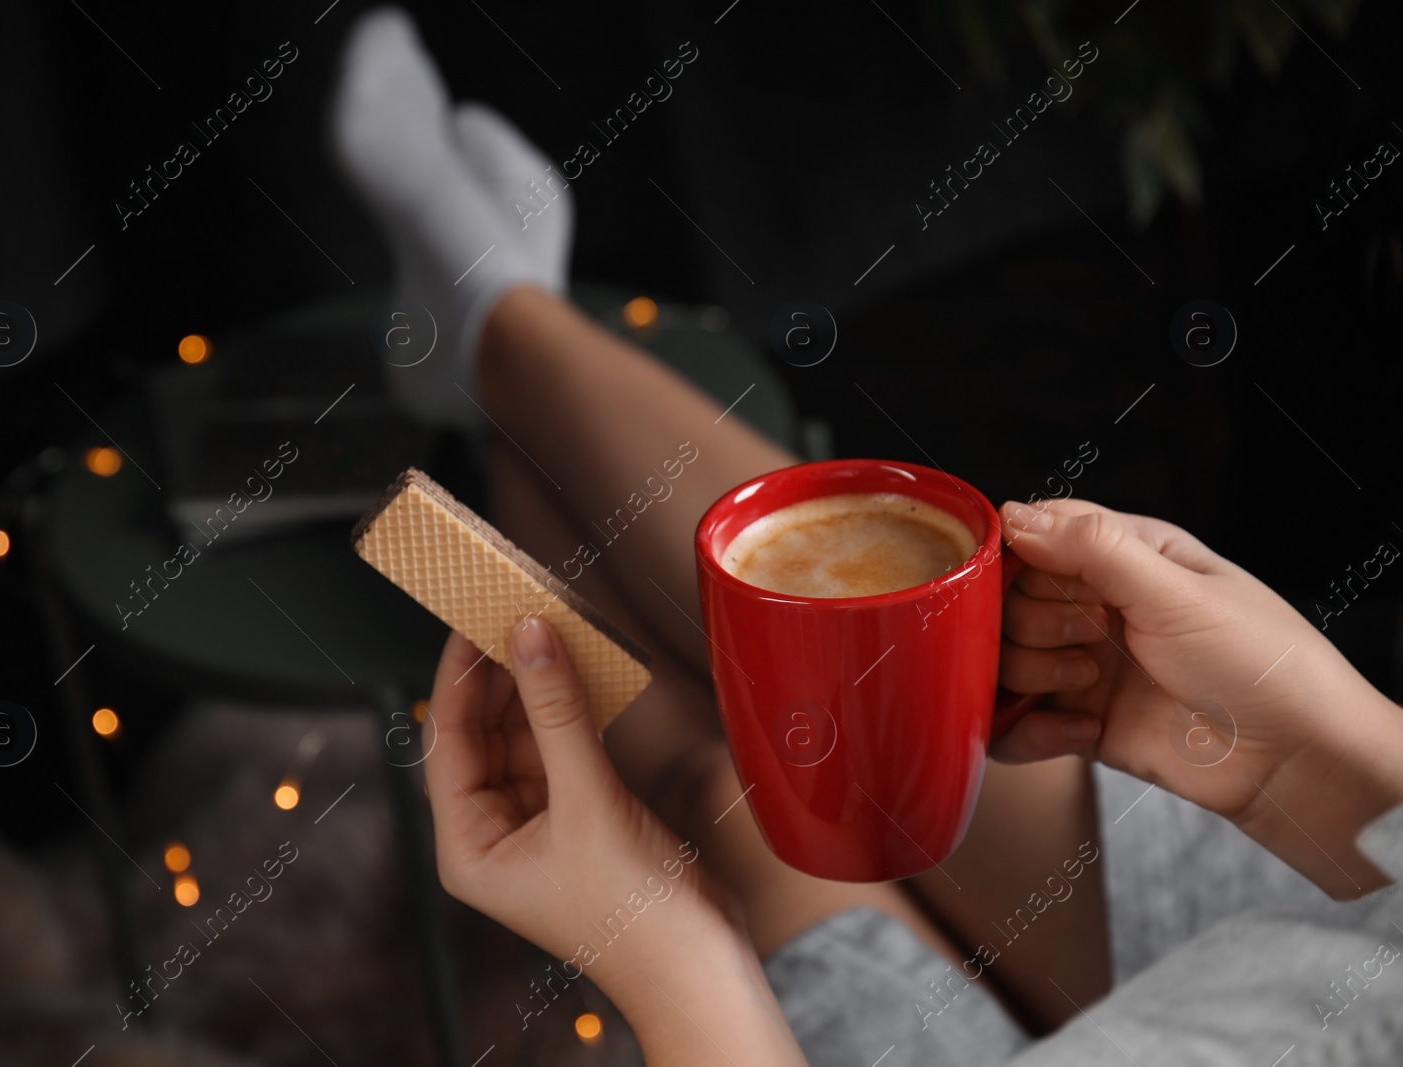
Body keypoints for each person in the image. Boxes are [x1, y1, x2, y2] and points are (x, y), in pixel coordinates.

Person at [330, 10, 1403, 1064]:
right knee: (850, 662)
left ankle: (486, 318)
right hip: (1334, 903)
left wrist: (675, 968)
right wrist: (1322, 758)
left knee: (728, 792)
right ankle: (492, 323)